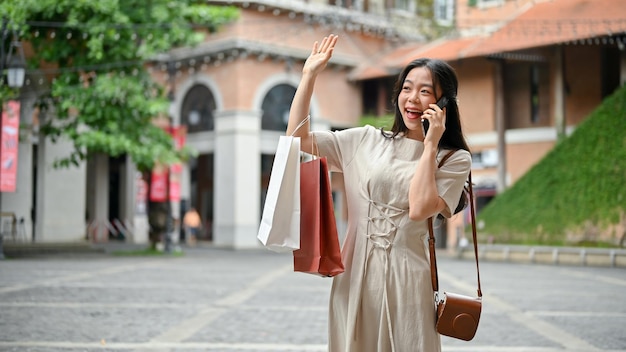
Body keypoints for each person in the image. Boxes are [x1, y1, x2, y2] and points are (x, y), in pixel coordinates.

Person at [286, 34, 471, 351]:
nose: (412, 98)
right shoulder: (364, 140)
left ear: (443, 103)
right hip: (355, 274)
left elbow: (419, 208)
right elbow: (298, 142)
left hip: (408, 281)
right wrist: (308, 77)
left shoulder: (453, 159)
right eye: (407, 88)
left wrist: (430, 146)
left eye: (425, 91)